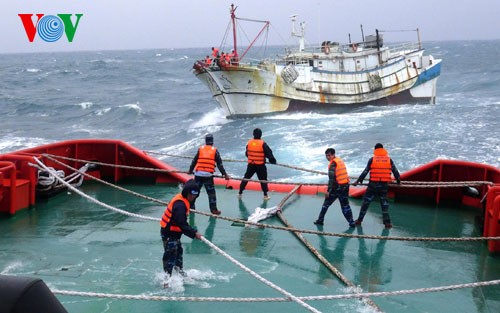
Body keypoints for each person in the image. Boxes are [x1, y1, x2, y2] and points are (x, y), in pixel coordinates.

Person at [160, 179, 202, 280]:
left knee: (179, 252)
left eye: (196, 194)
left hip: (175, 234)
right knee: (170, 255)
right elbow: (181, 223)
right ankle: (167, 279)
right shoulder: (180, 205)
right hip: (169, 233)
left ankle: (180, 273)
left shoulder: (185, 200)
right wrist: (194, 233)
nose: (193, 196)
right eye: (192, 194)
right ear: (186, 192)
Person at [353, 143, 401, 228]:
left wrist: (359, 180)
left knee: (366, 203)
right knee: (384, 204)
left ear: (375, 150)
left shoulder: (372, 159)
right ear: (383, 149)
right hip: (384, 186)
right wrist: (398, 181)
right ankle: (387, 223)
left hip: (373, 185)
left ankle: (359, 220)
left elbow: (365, 171)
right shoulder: (389, 160)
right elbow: (395, 171)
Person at [188, 134, 230, 215]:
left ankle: (190, 206)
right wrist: (225, 175)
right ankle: (214, 210)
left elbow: (194, 161)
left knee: (195, 191)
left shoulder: (200, 149)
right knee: (211, 193)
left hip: (198, 174)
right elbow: (219, 165)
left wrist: (190, 170)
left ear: (206, 141)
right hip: (208, 176)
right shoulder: (215, 150)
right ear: (212, 142)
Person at [314, 148, 355, 227]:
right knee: (345, 205)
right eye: (326, 156)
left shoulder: (333, 164)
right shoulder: (340, 160)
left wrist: (328, 191)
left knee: (326, 204)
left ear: (333, 154)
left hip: (337, 188)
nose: (328, 157)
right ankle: (351, 222)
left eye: (329, 155)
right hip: (345, 186)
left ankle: (320, 220)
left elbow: (331, 179)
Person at [238, 128, 276, 200]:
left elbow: (247, 153)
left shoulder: (249, 143)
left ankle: (240, 193)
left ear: (253, 134)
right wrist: (273, 161)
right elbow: (269, 154)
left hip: (251, 164)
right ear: (261, 135)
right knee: (263, 180)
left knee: (246, 178)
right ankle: (265, 195)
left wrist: (253, 158)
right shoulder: (263, 143)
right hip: (260, 165)